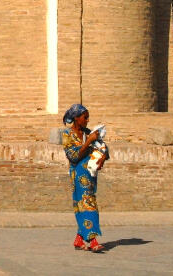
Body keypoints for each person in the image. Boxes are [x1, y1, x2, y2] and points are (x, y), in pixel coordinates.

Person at [61, 103, 108, 252]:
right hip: (78, 177)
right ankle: (93, 240)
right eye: (85, 118)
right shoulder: (67, 135)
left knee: (85, 206)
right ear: (76, 118)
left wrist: (103, 157)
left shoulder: (89, 132)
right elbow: (73, 156)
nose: (87, 120)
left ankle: (79, 239)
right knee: (89, 206)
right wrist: (88, 141)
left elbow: (103, 147)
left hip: (90, 176)